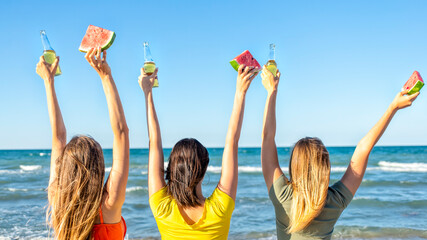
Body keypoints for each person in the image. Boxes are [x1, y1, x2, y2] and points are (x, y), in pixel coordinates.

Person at [260, 65, 419, 239]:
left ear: (294, 165)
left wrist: (272, 91)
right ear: (325, 166)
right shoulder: (335, 201)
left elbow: (267, 137)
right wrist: (393, 108)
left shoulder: (282, 195)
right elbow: (364, 148)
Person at [139, 65, 258, 239]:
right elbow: (231, 142)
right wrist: (241, 92)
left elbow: (154, 143)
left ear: (171, 169)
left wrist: (147, 93)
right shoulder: (220, 208)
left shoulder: (162, 208)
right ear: (204, 169)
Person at [36, 47, 129, 240]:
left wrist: (48, 82)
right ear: (98, 168)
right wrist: (105, 77)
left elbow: (58, 137)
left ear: (65, 168)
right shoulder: (108, 206)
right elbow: (121, 133)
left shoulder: (59, 200)